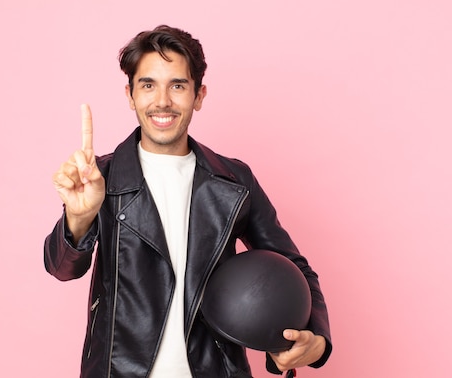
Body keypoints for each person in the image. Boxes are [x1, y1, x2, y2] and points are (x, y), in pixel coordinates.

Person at [44, 25, 332, 377]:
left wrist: (315, 340)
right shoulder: (99, 177)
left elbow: (293, 266)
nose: (162, 100)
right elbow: (61, 268)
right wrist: (79, 218)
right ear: (130, 95)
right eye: (148, 85)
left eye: (177, 85)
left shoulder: (234, 180)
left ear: (198, 95)